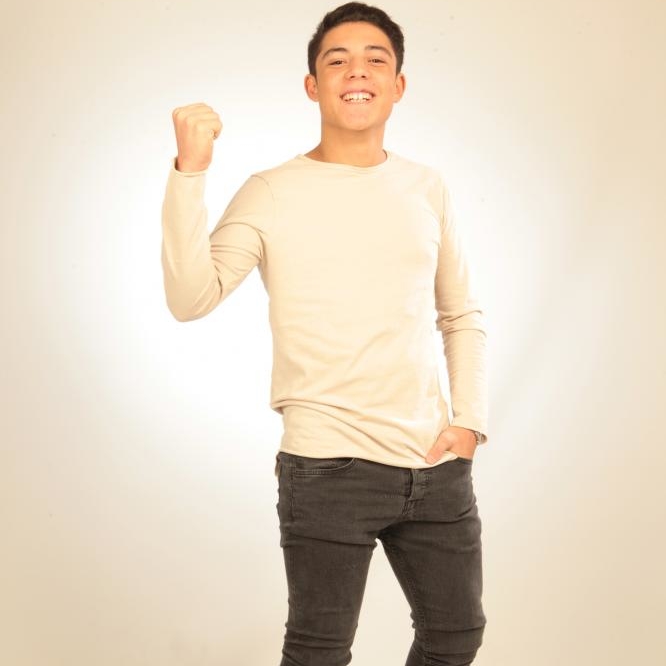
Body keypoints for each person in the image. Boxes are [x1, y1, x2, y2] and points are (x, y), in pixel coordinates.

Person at [161, 2, 488, 664]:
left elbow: (459, 314)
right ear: (313, 86)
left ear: (398, 84)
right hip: (328, 468)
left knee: (457, 635)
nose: (357, 72)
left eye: (375, 59)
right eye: (337, 61)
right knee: (319, 652)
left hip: (435, 465)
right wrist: (190, 172)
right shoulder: (271, 190)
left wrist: (469, 423)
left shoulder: (426, 187)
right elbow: (192, 298)